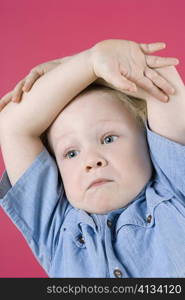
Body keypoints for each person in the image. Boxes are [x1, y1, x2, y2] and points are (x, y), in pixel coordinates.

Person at [0, 39, 184, 277]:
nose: (91, 161)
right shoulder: (54, 229)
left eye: (108, 139)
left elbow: (162, 81)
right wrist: (89, 62)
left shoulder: (175, 193)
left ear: (149, 141)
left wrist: (94, 65)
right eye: (71, 153)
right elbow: (12, 126)